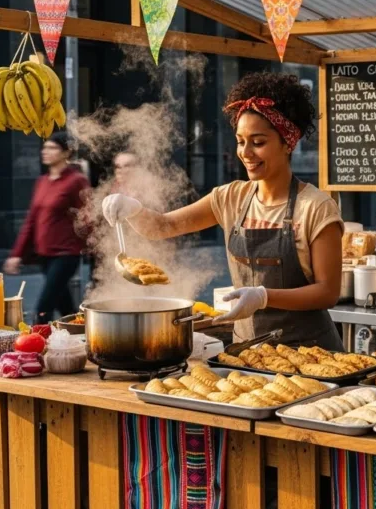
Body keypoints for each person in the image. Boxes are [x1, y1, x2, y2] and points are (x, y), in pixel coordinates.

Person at [102, 72, 344, 348]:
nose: (246, 152)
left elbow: (327, 292)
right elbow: (162, 228)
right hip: (248, 351)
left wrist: (264, 296)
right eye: (241, 141)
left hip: (310, 354)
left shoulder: (316, 207)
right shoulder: (230, 197)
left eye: (259, 142)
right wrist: (132, 209)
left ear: (288, 142)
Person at [4, 131, 91, 323]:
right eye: (45, 147)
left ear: (66, 153)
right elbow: (32, 220)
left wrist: (94, 248)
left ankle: (35, 345)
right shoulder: (42, 182)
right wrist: (17, 253)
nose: (45, 151)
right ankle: (84, 334)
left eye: (52, 148)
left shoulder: (76, 181)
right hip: (44, 254)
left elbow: (88, 215)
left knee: (43, 309)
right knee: (65, 307)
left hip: (66, 254)